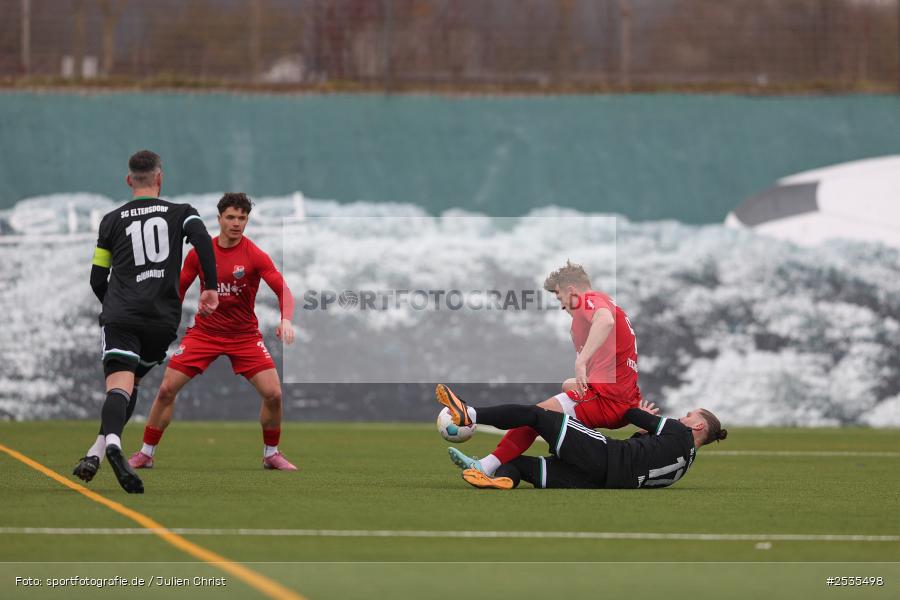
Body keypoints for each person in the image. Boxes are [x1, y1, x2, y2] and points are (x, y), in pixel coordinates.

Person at [72, 150, 219, 493]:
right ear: (159, 179)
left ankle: (112, 445)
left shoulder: (110, 221)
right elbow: (202, 241)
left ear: (128, 180)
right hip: (161, 322)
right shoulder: (182, 213)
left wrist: (113, 307)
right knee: (131, 384)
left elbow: (97, 279)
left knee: (118, 387)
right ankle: (96, 452)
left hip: (123, 316)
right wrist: (209, 288)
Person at [128, 192, 298, 471]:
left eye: (242, 218)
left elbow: (283, 289)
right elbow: (178, 291)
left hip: (244, 337)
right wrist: (160, 323)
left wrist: (286, 320)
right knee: (167, 389)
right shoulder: (200, 254)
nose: (236, 223)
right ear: (219, 219)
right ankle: (146, 453)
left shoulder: (255, 255)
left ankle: (271, 454)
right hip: (204, 334)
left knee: (274, 394)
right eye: (231, 217)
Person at [449, 260, 643, 476]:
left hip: (608, 400)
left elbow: (604, 321)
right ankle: (488, 465)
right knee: (539, 418)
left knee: (534, 415)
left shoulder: (590, 300)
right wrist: (574, 380)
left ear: (571, 290)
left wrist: (580, 362)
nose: (561, 305)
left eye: (560, 297)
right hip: (617, 400)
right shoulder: (592, 319)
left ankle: (470, 416)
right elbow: (600, 368)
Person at [436, 384, 727, 490]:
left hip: (603, 455)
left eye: (690, 415)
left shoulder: (679, 432)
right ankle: (499, 480)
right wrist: (645, 433)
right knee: (523, 467)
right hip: (603, 481)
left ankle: (469, 414)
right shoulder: (683, 466)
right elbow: (646, 460)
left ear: (698, 427)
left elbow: (631, 413)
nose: (683, 417)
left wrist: (639, 411)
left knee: (537, 415)